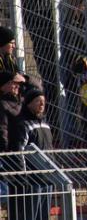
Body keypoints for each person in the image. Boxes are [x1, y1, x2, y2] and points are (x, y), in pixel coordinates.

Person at [8, 89, 53, 220]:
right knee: (31, 214)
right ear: (28, 104)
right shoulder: (23, 125)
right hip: (32, 180)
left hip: (47, 177)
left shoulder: (45, 125)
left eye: (43, 102)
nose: (42, 104)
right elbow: (19, 151)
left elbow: (49, 149)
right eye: (38, 101)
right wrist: (24, 176)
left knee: (44, 215)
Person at [0, 72, 24, 151]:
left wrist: (25, 78)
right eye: (13, 83)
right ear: (3, 86)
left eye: (18, 83)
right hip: (12, 150)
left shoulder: (21, 102)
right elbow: (3, 128)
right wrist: (5, 150)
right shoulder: (2, 104)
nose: (17, 86)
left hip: (24, 145)